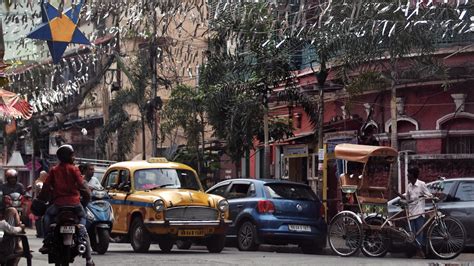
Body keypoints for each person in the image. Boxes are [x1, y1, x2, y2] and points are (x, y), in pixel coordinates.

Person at [37, 144, 94, 266]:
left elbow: (46, 187)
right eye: (72, 155)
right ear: (69, 156)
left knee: (46, 216)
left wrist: (41, 198)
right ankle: (84, 245)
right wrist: (87, 197)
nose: (73, 157)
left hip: (58, 205)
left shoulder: (54, 170)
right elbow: (82, 186)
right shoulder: (74, 169)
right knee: (83, 218)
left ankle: (47, 240)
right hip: (75, 204)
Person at [394, 166, 432, 258]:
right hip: (410, 213)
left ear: (413, 175)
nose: (407, 175)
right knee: (411, 234)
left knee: (419, 234)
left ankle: (420, 251)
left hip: (419, 213)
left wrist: (422, 197)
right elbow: (407, 198)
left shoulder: (422, 184)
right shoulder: (409, 186)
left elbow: (429, 195)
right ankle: (414, 252)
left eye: (409, 173)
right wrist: (397, 193)